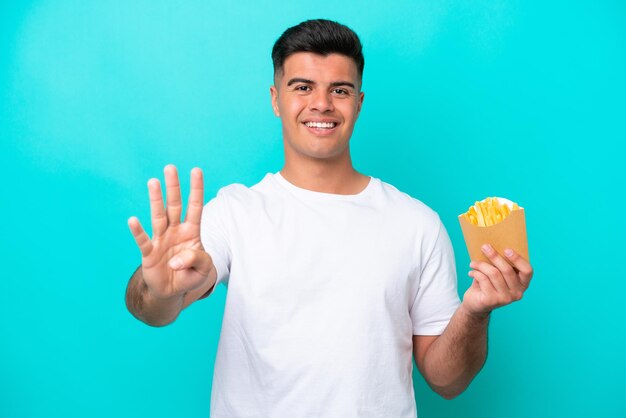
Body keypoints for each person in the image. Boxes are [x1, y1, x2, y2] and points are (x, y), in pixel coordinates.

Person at [125, 19, 534, 418]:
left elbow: (448, 382)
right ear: (275, 99)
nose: (321, 103)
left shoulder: (417, 224)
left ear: (358, 102)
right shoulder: (235, 212)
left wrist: (475, 311)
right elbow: (154, 309)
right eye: (302, 87)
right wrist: (161, 290)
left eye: (339, 90)